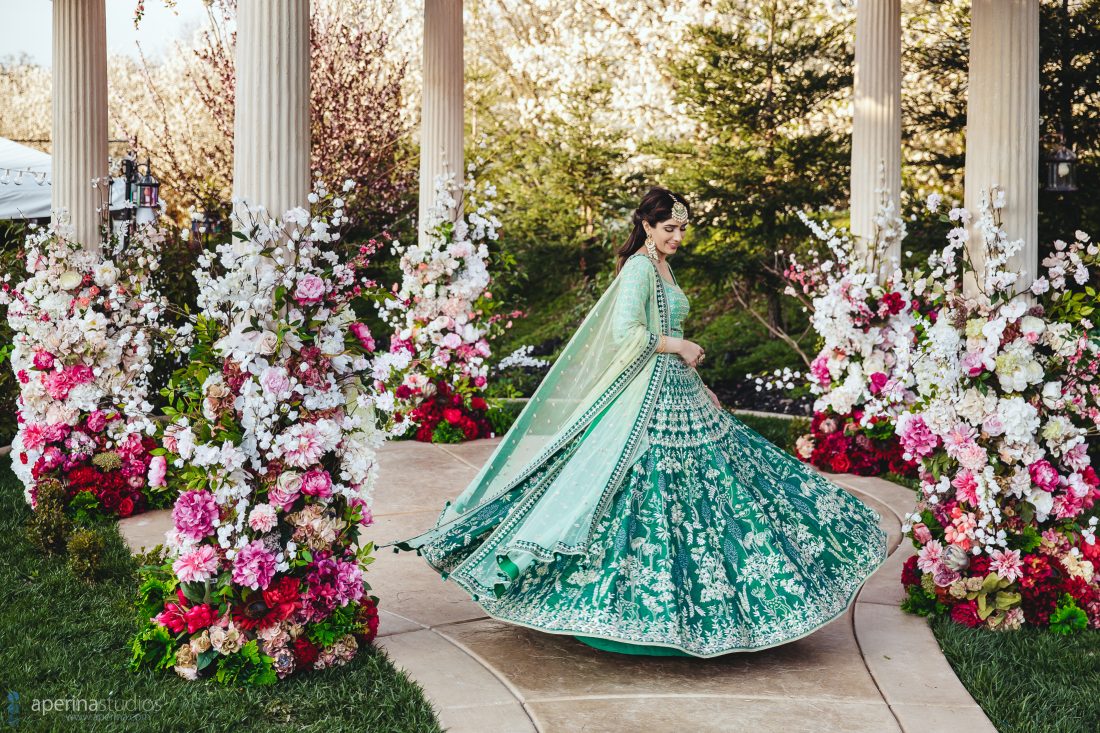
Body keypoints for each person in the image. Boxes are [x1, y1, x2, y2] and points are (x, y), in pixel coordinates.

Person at [386, 186, 888, 657]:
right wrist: (680, 345)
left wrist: (697, 379)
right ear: (647, 226)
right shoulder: (639, 271)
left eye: (681, 229)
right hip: (647, 396)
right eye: (668, 227)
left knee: (720, 483)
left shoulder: (663, 269)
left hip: (678, 390)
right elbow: (629, 332)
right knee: (644, 488)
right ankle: (626, 615)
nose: (676, 236)